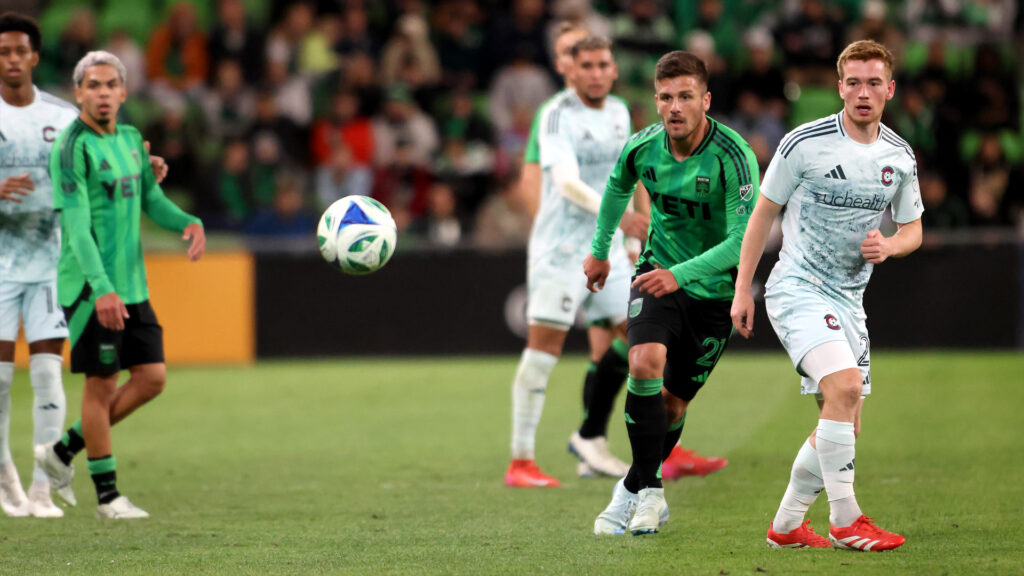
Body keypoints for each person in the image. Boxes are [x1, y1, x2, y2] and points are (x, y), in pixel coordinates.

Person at [731, 40, 920, 551]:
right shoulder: (803, 143)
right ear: (839, 88)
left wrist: (891, 244)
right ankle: (845, 520)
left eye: (873, 82)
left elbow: (913, 228)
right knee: (845, 388)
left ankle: (788, 525)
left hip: (849, 299)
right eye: (853, 82)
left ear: (890, 90)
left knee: (844, 420)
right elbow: (762, 214)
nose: (863, 92)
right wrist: (742, 288)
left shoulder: (899, 156)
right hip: (797, 288)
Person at [585, 50, 759, 535]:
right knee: (642, 361)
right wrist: (601, 251)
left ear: (705, 99)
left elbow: (743, 242)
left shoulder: (734, 156)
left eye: (685, 96)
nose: (675, 107)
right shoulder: (643, 147)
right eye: (665, 97)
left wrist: (681, 275)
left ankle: (631, 487)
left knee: (673, 405)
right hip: (656, 274)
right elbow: (617, 188)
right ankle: (651, 493)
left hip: (715, 293)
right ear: (656, 101)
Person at [0, 12, 167, 518]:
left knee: (53, 379)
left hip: (51, 262)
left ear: (34, 56)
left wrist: (141, 171)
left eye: (20, 51)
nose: (12, 59)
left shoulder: (59, 116)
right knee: (5, 381)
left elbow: (103, 174)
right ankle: (9, 479)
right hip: (6, 266)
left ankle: (45, 480)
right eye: (3, 51)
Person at [36, 50, 205, 519]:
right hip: (92, 289)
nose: (103, 93)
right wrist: (101, 288)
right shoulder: (71, 148)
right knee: (102, 386)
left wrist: (187, 220)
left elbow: (152, 198)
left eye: (111, 84)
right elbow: (76, 225)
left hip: (133, 285)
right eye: (93, 85)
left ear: (124, 92)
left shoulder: (131, 140)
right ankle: (108, 497)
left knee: (152, 378)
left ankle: (62, 450)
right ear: (79, 94)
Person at [505, 34, 644, 488]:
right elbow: (564, 183)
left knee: (639, 340)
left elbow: (625, 176)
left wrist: (630, 241)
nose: (597, 73)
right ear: (570, 70)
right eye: (587, 65)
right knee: (544, 351)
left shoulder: (621, 112)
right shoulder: (556, 114)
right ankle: (521, 461)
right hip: (562, 250)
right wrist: (622, 218)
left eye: (604, 64)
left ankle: (590, 438)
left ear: (615, 68)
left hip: (606, 248)